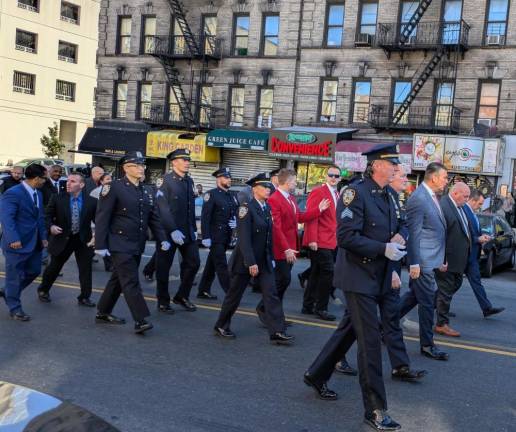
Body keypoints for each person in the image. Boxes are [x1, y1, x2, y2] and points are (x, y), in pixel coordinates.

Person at [304, 145, 419, 431]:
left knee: (349, 331)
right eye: (391, 162)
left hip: (379, 276)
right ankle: (376, 410)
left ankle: (317, 374)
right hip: (358, 277)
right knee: (369, 343)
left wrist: (397, 239)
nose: (396, 167)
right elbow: (346, 237)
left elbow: (403, 224)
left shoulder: (389, 195)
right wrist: (384, 248)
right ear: (376, 166)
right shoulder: (355, 193)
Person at [214, 172, 294, 345]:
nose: (268, 190)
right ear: (254, 189)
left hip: (264, 260)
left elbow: (268, 237)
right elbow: (244, 238)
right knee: (234, 296)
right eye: (264, 187)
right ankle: (221, 324)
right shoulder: (246, 208)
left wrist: (270, 258)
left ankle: (277, 331)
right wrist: (250, 262)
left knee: (271, 294)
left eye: (269, 187)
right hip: (245, 261)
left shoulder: (266, 208)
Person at [94, 151, 169, 334]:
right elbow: (103, 217)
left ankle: (103, 312)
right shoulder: (113, 188)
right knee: (131, 281)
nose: (141, 168)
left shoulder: (146, 189)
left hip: (137, 243)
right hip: (119, 243)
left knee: (118, 280)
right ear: (126, 168)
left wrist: (163, 238)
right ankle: (140, 319)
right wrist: (100, 245)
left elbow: (153, 218)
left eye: (142, 165)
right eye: (136, 165)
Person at [259, 168, 330, 312]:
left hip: (291, 246)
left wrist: (319, 210)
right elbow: (276, 228)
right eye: (294, 181)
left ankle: (272, 311)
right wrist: (286, 249)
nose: (296, 183)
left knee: (283, 281)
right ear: (286, 182)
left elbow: (299, 217)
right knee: (282, 280)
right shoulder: (274, 199)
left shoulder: (291, 198)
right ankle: (265, 309)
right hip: (281, 249)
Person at [399, 162, 449, 361]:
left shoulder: (432, 196)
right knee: (427, 303)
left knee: (413, 298)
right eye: (445, 177)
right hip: (422, 262)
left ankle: (381, 326)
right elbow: (414, 234)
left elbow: (435, 232)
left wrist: (440, 260)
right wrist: (414, 263)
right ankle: (427, 345)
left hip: (430, 260)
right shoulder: (419, 198)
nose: (447, 181)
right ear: (434, 177)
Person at [36, 172, 97, 306]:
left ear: (81, 185)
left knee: (85, 269)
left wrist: (96, 235)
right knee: (54, 266)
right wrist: (51, 226)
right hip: (63, 237)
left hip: (83, 239)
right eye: (68, 180)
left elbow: (98, 220)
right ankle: (43, 290)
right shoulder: (57, 198)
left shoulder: (92, 201)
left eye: (73, 181)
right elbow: (46, 216)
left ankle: (84, 297)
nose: (68, 183)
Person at [0, 164, 48, 321]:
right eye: (43, 178)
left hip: (34, 242)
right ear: (36, 179)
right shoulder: (13, 193)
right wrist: (13, 238)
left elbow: (39, 217)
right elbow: (7, 218)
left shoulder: (38, 194)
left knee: (34, 271)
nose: (45, 181)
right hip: (16, 243)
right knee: (13, 277)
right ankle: (15, 308)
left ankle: (8, 291)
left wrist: (43, 236)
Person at [155, 148, 200, 313]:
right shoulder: (164, 180)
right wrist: (172, 230)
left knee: (194, 263)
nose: (187, 162)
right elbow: (162, 207)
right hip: (168, 232)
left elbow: (190, 207)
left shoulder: (189, 181)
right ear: (174, 162)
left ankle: (182, 296)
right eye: (183, 160)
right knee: (163, 267)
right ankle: (162, 301)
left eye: (188, 160)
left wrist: (194, 229)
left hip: (186, 231)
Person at [301, 165, 341, 321]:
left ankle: (307, 305)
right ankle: (321, 308)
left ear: (340, 178)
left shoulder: (337, 194)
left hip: (332, 241)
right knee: (328, 273)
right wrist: (312, 239)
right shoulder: (319, 192)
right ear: (326, 176)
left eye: (336, 176)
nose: (333, 178)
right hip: (319, 240)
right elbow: (312, 217)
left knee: (316, 273)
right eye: (331, 175)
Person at [434, 182, 471, 337]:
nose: (467, 199)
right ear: (456, 193)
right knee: (445, 291)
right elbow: (439, 236)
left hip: (457, 260)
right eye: (466, 196)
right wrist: (441, 258)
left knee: (451, 287)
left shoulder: (459, 207)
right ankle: (442, 323)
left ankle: (432, 305)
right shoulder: (444, 206)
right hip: (447, 260)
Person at [197, 167, 239, 299]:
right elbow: (205, 217)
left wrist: (236, 222)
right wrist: (206, 236)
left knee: (211, 265)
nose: (229, 180)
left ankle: (203, 290)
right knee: (221, 265)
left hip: (226, 236)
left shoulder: (231, 195)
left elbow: (236, 212)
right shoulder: (211, 195)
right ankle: (231, 293)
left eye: (230, 177)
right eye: (226, 177)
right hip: (215, 237)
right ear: (219, 179)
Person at [463, 190, 505, 317]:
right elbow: (463, 234)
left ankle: (486, 308)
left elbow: (473, 232)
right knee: (452, 284)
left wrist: (482, 237)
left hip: (472, 257)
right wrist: (477, 239)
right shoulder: (464, 211)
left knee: (476, 282)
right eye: (479, 203)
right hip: (464, 255)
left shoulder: (473, 213)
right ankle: (434, 304)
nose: (480, 206)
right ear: (472, 200)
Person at [90, 173, 114, 272]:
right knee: (100, 242)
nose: (110, 180)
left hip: (108, 222)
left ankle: (89, 256)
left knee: (102, 242)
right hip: (97, 222)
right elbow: (94, 209)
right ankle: (109, 265)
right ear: (101, 181)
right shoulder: (96, 192)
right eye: (107, 179)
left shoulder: (112, 190)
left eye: (111, 179)